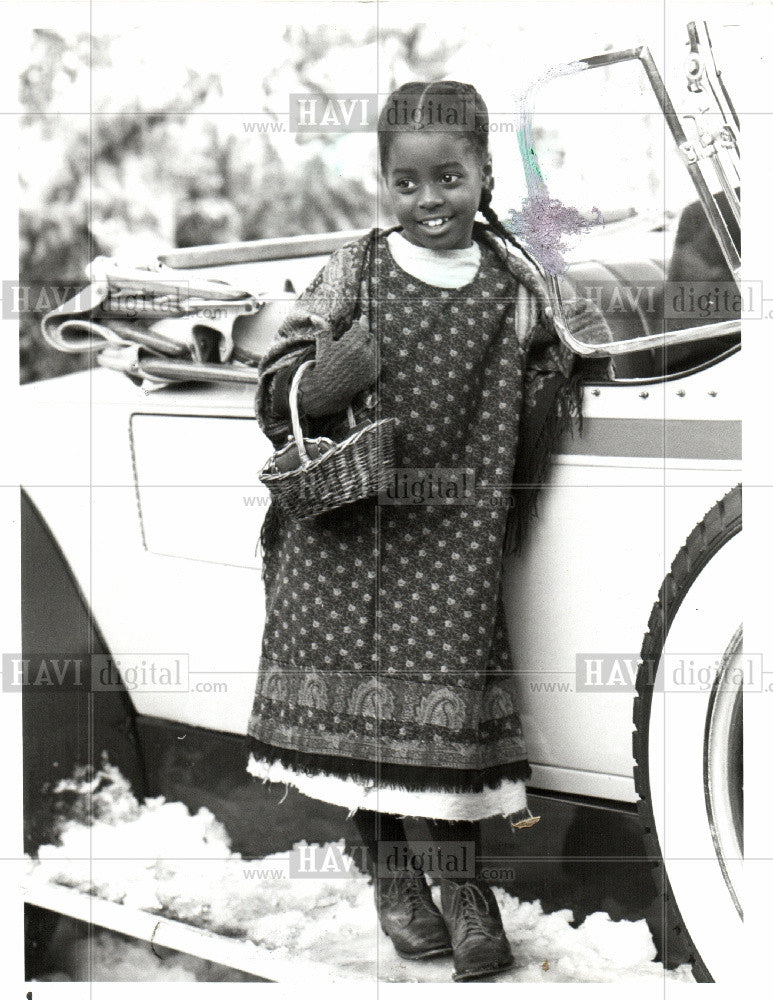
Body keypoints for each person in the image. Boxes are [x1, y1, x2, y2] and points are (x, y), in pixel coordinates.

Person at [247, 80, 613, 982]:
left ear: (485, 174)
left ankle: (464, 883)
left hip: (452, 533)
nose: (428, 201)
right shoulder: (352, 269)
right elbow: (276, 388)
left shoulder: (515, 278)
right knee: (350, 721)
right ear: (383, 184)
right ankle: (392, 875)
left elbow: (573, 345)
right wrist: (320, 384)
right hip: (343, 534)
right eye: (405, 184)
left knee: (444, 710)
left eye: (448, 177)